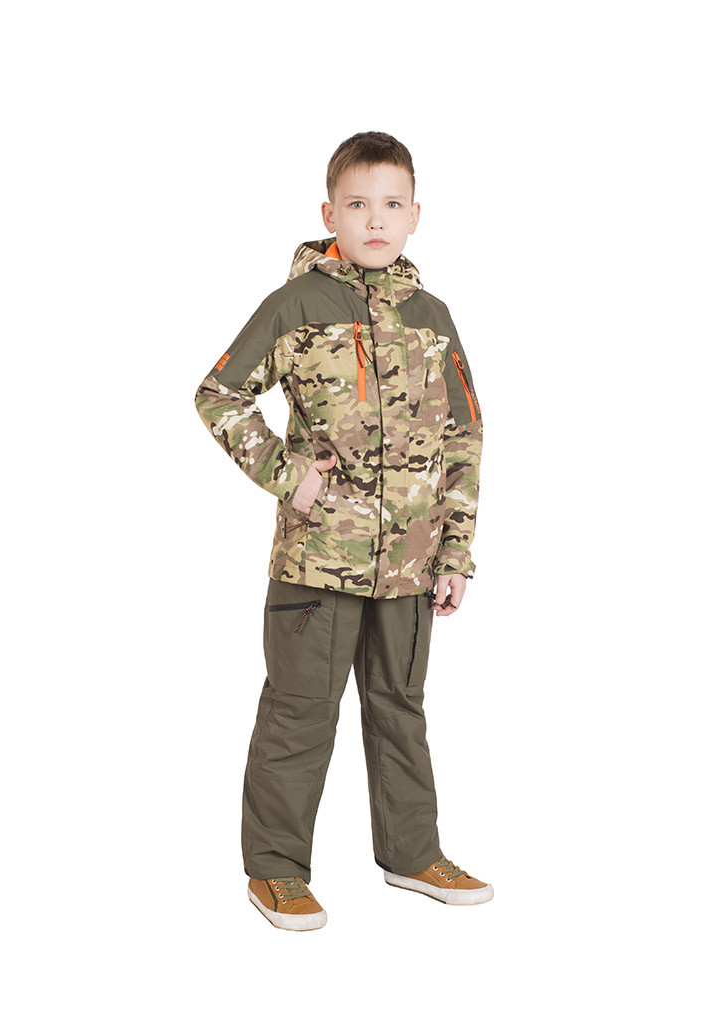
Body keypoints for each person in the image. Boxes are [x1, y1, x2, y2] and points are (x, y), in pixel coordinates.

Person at [194, 131, 491, 931]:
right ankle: (276, 870)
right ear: (330, 214)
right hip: (317, 562)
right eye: (358, 204)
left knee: (401, 709)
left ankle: (412, 853)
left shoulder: (433, 319)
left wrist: (455, 551)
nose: (376, 219)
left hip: (410, 567)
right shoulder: (294, 306)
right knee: (299, 712)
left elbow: (464, 436)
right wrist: (285, 472)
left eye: (392, 204)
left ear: (416, 215)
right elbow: (218, 394)